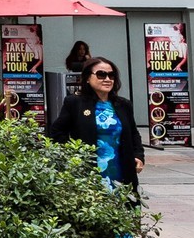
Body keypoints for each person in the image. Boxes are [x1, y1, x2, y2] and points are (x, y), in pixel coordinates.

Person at [49, 56, 145, 191]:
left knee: (124, 207)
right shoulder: (75, 103)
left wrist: (138, 156)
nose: (107, 79)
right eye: (101, 75)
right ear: (88, 78)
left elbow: (134, 134)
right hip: (89, 171)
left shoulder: (123, 104)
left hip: (121, 168)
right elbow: (56, 133)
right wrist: (73, 155)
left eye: (111, 75)